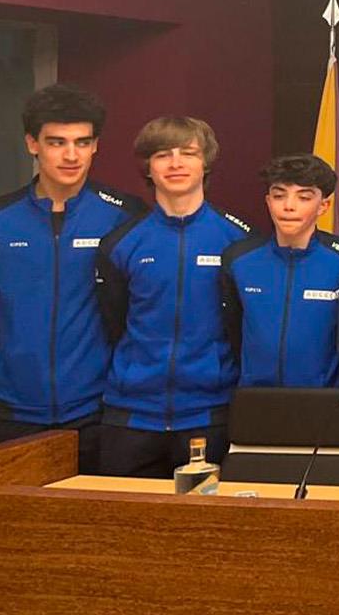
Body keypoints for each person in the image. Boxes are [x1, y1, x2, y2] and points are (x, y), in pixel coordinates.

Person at [0, 86, 141, 472]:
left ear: (95, 146)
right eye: (57, 142)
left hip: (99, 412)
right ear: (32, 144)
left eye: (82, 142)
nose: (71, 156)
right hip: (11, 412)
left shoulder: (126, 216)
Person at [95, 116, 253, 477]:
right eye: (163, 154)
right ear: (148, 167)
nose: (176, 163)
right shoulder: (121, 243)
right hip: (131, 416)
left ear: (206, 162)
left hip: (210, 414)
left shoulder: (238, 242)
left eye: (188, 153)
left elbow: (244, 327)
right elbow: (112, 321)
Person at [220, 154, 339, 389]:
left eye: (304, 197)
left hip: (325, 401)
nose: (289, 206)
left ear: (324, 206)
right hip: (255, 399)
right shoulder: (239, 259)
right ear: (268, 201)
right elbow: (232, 329)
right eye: (279, 195)